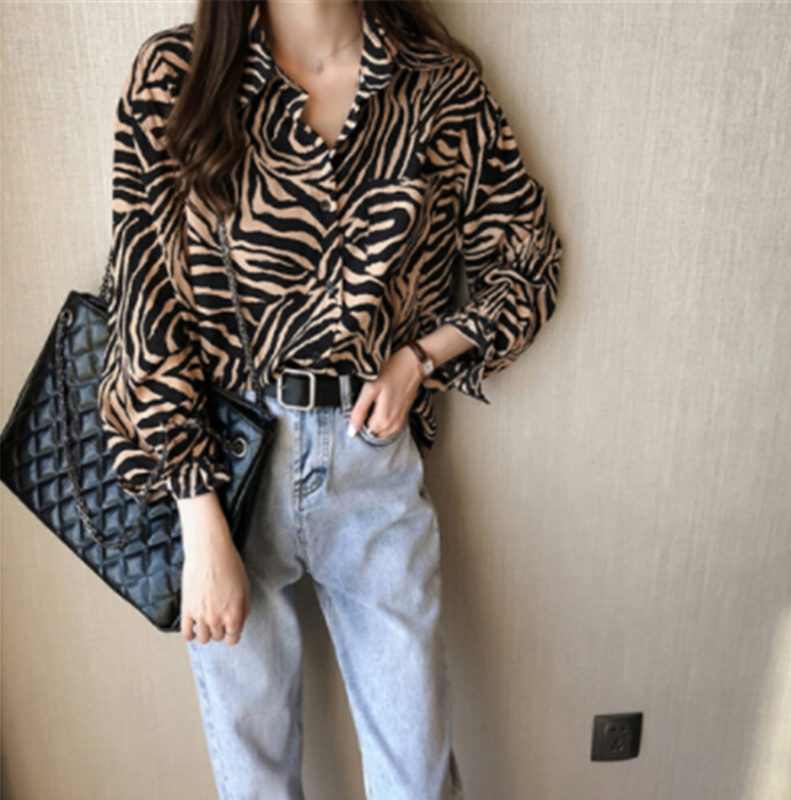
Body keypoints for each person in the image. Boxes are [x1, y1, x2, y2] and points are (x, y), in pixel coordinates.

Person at [99, 1, 562, 798]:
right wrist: (198, 516)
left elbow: (529, 258)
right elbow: (144, 308)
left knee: (417, 779)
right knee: (257, 783)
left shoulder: (436, 84)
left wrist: (419, 359)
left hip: (370, 460)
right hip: (226, 471)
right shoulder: (177, 76)